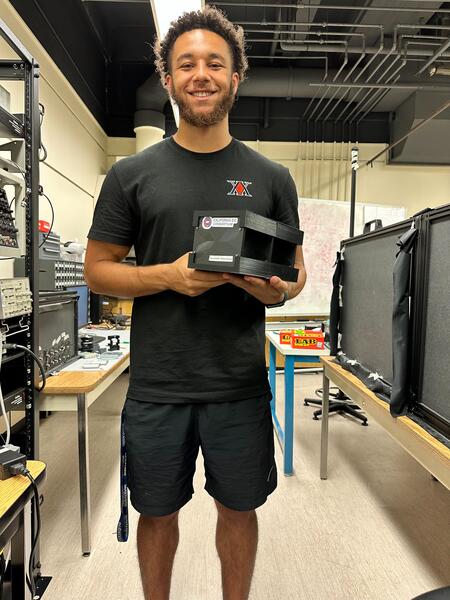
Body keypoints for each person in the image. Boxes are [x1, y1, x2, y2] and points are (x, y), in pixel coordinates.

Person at [84, 6, 306, 600]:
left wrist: (276, 289)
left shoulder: (271, 177)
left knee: (239, 510)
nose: (201, 74)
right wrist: (167, 277)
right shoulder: (132, 174)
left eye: (215, 63)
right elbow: (97, 271)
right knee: (157, 514)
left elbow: (296, 275)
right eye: (187, 64)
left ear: (237, 77)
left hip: (238, 384)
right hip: (159, 385)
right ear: (169, 79)